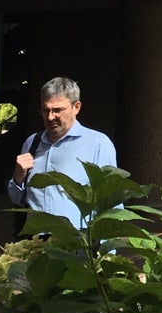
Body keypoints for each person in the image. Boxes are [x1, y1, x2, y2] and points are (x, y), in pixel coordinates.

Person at [7, 77, 117, 230]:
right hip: (35, 241)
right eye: (45, 110)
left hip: (76, 243)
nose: (50, 117)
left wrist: (108, 251)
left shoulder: (98, 144)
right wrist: (18, 176)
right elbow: (16, 199)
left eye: (57, 110)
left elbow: (111, 201)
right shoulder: (32, 142)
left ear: (76, 107)